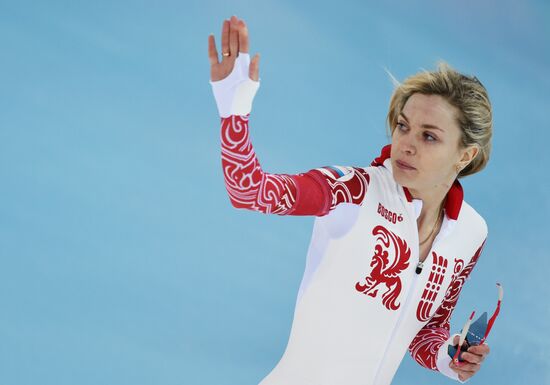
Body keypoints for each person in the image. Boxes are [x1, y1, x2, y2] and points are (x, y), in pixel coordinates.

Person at [207, 15, 492, 385]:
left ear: (465, 155)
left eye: (429, 136)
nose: (405, 143)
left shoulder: (471, 233)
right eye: (403, 126)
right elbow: (249, 191)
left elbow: (425, 330)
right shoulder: (353, 191)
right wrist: (234, 110)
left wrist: (449, 356)